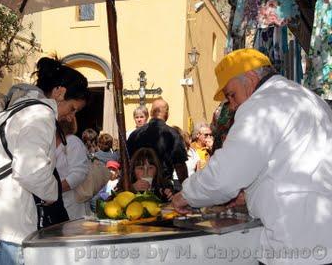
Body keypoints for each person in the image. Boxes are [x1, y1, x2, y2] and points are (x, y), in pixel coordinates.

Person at [172, 48, 332, 265]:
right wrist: (249, 194)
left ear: (250, 77)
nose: (233, 104)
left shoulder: (260, 105)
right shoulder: (310, 99)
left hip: (295, 246)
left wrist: (187, 194)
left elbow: (224, 176)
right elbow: (292, 165)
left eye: (231, 94)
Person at [0, 56, 89, 265]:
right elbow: (30, 172)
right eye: (72, 109)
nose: (71, 117)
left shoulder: (12, 110)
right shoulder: (40, 114)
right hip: (0, 233)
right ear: (60, 92)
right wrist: (52, 193)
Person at [127, 99, 188, 188]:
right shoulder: (172, 134)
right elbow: (180, 166)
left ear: (151, 113)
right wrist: (185, 188)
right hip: (162, 187)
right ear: (167, 114)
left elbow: (126, 161)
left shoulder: (135, 134)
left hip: (137, 185)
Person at [56, 118, 90, 220]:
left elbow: (79, 174)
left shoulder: (72, 142)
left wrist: (54, 189)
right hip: (58, 204)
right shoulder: (48, 144)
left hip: (73, 205)